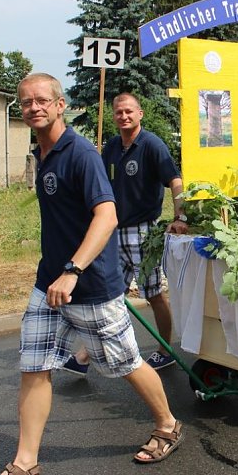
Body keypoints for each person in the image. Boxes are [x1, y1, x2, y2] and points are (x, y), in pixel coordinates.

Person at [0, 74, 183, 475]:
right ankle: (25, 463)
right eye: (26, 102)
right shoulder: (43, 152)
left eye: (42, 100)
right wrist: (58, 272)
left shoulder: (80, 152)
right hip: (48, 285)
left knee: (126, 363)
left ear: (60, 105)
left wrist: (73, 269)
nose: (33, 107)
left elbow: (106, 215)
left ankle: (168, 424)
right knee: (34, 366)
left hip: (89, 285)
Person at [63, 93, 187, 374]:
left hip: (143, 232)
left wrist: (181, 216)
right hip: (113, 231)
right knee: (109, 294)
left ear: (140, 114)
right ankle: (85, 356)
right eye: (119, 112)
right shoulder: (112, 147)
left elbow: (175, 180)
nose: (124, 116)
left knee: (153, 294)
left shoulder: (152, 145)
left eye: (129, 111)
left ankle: (165, 351)